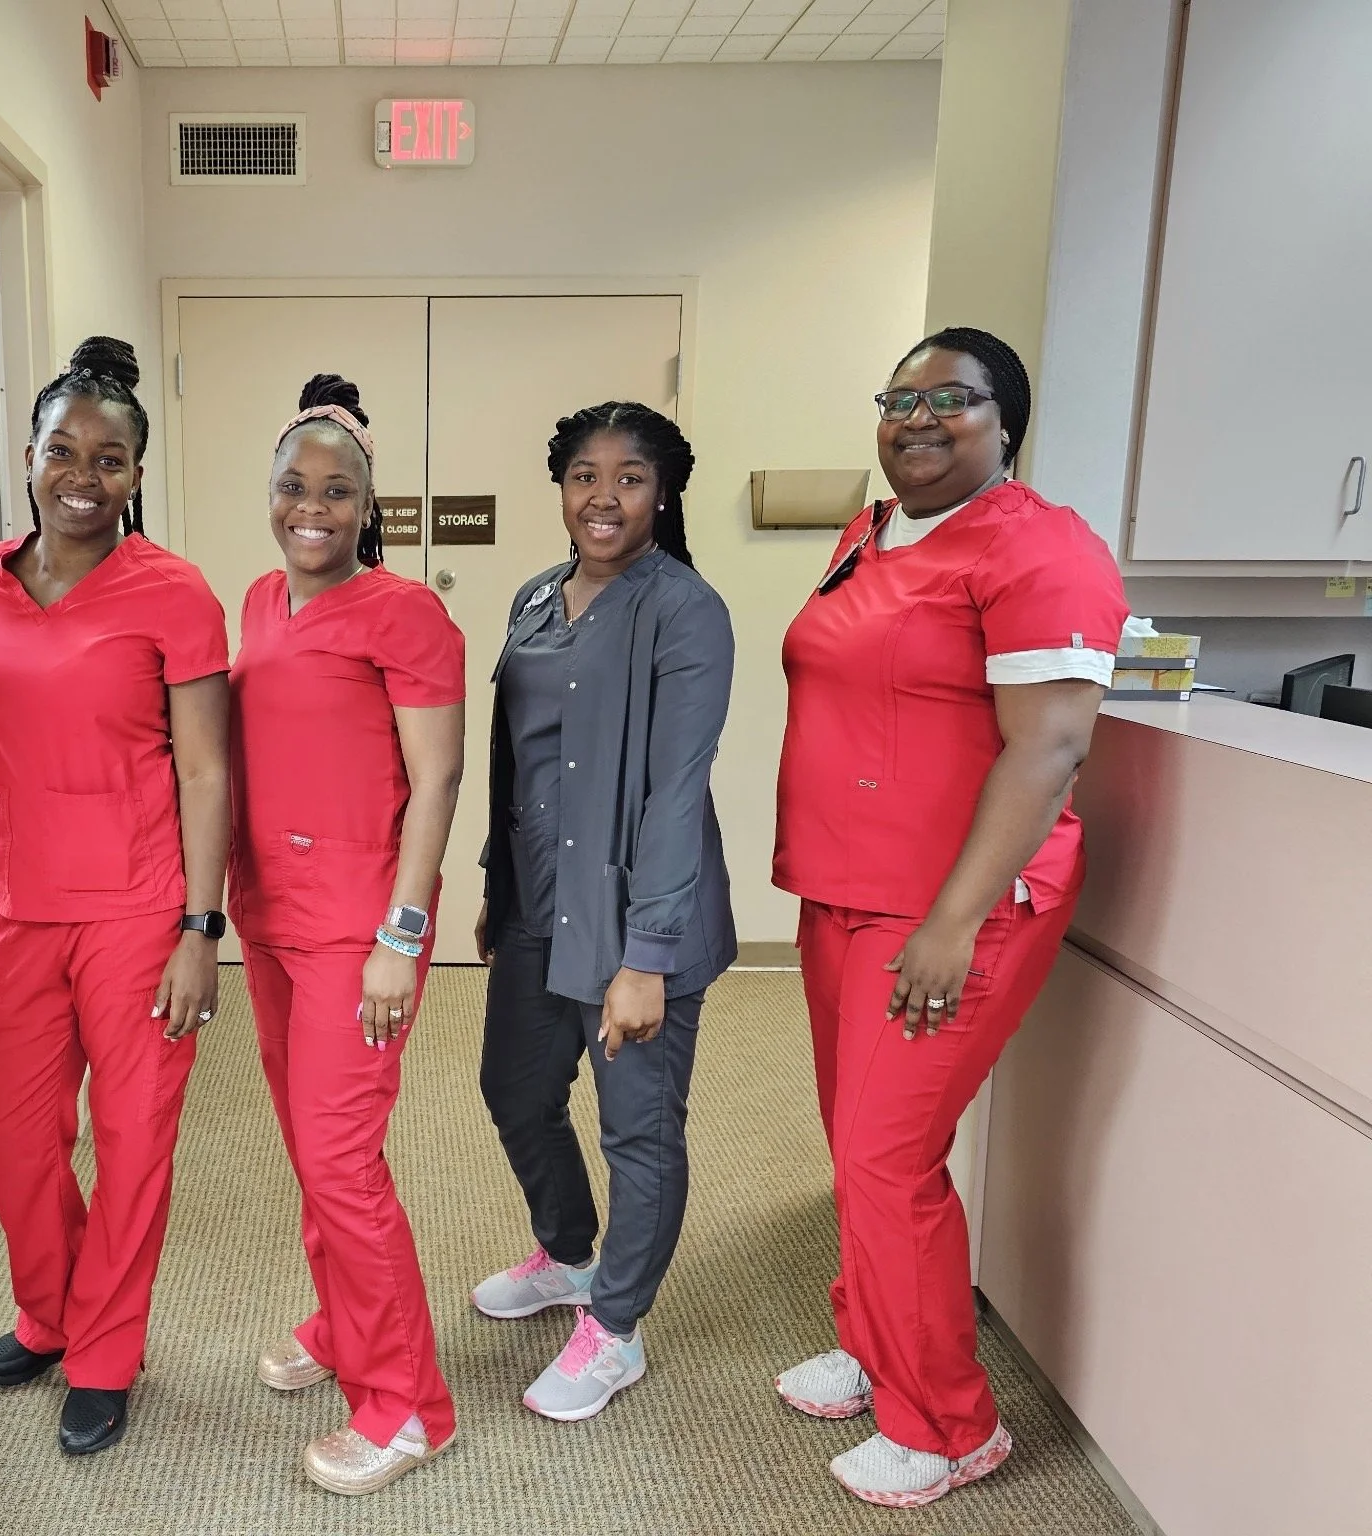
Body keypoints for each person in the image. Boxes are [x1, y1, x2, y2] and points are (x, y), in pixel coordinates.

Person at [771, 327, 1127, 1508]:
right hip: (841, 890)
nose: (916, 420)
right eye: (897, 399)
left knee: (886, 1154)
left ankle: (947, 1423)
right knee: (854, 1144)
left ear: (1003, 422)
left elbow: (1053, 743)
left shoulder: (1040, 548)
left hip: (949, 907)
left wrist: (951, 920)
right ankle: (876, 1351)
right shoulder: (872, 533)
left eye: (950, 402)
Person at [0, 336, 231, 1458]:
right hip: (19, 901)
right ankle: (48, 1312)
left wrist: (200, 929)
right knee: (9, 1134)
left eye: (110, 460)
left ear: (136, 478)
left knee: (132, 1138)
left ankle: (102, 1351)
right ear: (29, 457)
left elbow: (207, 768)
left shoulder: (172, 592)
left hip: (138, 906)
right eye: (64, 451)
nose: (83, 476)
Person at [471, 401, 736, 1423]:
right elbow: (513, 760)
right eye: (584, 474)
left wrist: (648, 955)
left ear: (660, 492)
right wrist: (499, 884)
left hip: (634, 917)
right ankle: (569, 1254)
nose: (603, 496)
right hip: (540, 901)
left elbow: (676, 790)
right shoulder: (537, 598)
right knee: (514, 1088)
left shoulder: (683, 609)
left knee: (637, 1130)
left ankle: (615, 1328)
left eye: (628, 477)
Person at [228, 374, 467, 1495]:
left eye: (335, 490)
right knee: (309, 1158)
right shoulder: (256, 603)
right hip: (270, 920)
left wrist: (402, 934)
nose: (309, 507)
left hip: (359, 930)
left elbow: (436, 778)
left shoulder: (405, 613)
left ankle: (407, 1403)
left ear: (367, 503)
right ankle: (339, 1324)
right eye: (292, 485)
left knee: (341, 1162)